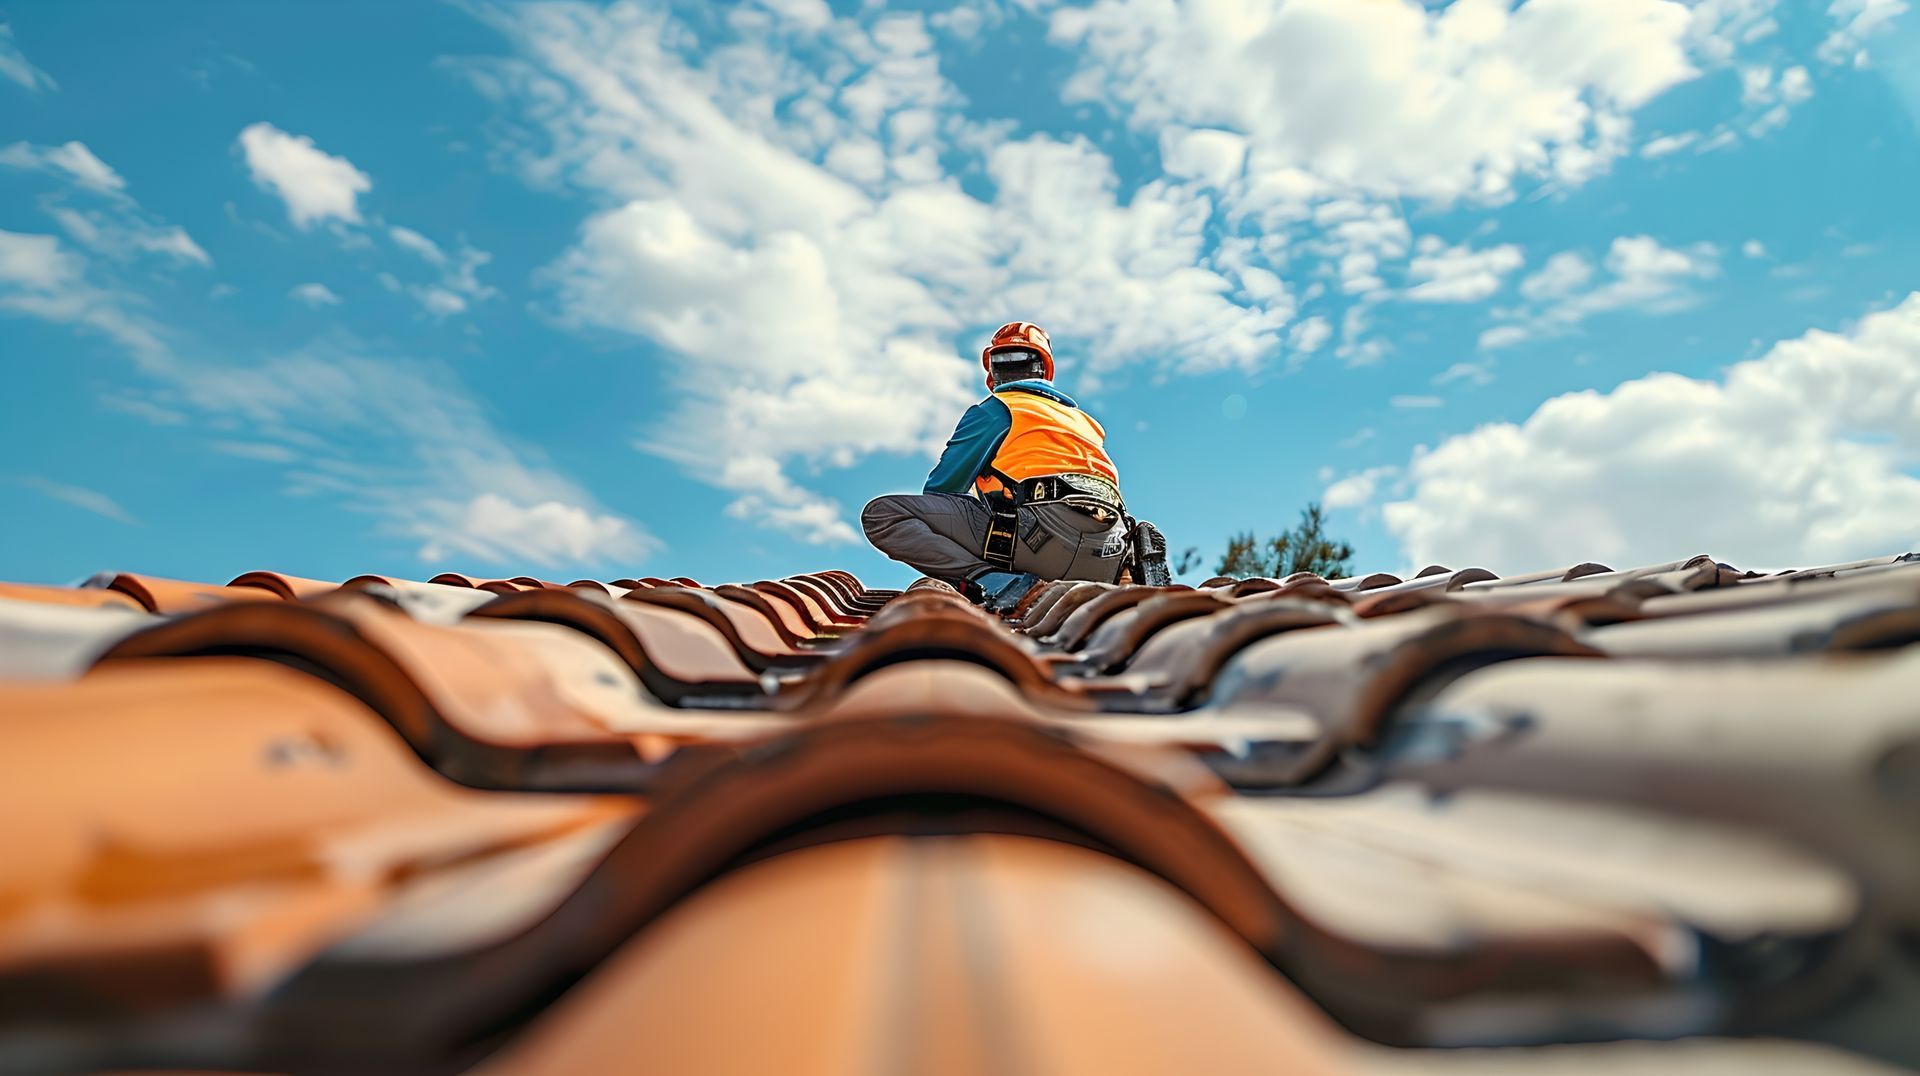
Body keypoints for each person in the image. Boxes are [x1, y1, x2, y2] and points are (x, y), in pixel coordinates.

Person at [862, 321, 1132, 612]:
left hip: (1034, 542)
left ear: (992, 373)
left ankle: (994, 581)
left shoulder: (997, 409)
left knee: (882, 514)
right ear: (1044, 369)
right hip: (1108, 553)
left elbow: (942, 490)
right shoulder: (1086, 422)